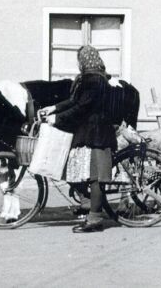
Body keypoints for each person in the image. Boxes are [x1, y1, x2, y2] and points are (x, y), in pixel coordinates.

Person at [41, 45, 117, 233]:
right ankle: (87, 204)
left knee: (95, 177)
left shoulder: (93, 80)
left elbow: (81, 107)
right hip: (90, 133)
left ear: (83, 61)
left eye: (79, 60)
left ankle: (95, 220)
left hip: (97, 134)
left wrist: (56, 118)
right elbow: (75, 101)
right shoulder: (94, 78)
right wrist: (54, 107)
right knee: (75, 170)